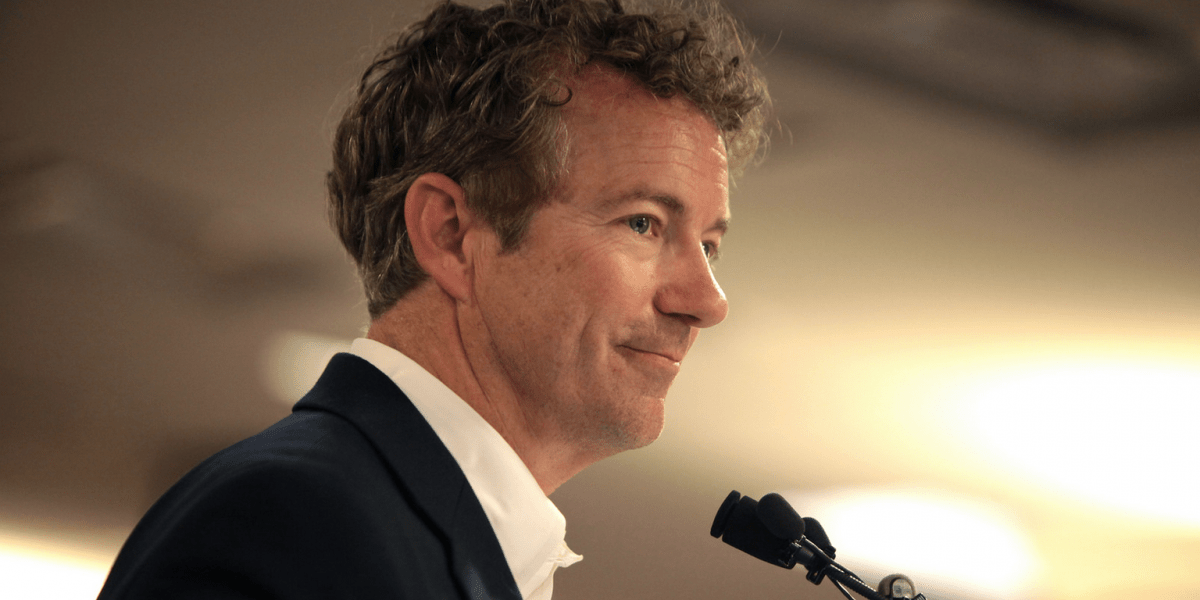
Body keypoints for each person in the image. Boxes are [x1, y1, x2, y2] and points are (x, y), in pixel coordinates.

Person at [97, 0, 769, 598]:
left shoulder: (415, 533)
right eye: (643, 223)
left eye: (709, 246)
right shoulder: (290, 521)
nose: (707, 302)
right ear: (450, 235)